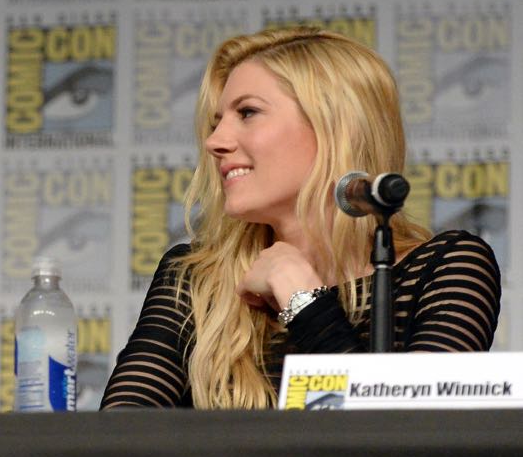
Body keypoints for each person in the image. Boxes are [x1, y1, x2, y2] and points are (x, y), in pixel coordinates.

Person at [102, 27, 501, 410]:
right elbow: (117, 439)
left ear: (333, 126)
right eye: (216, 122)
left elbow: (410, 446)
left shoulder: (447, 266)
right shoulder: (194, 277)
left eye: (247, 112)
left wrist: (303, 298)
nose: (215, 142)